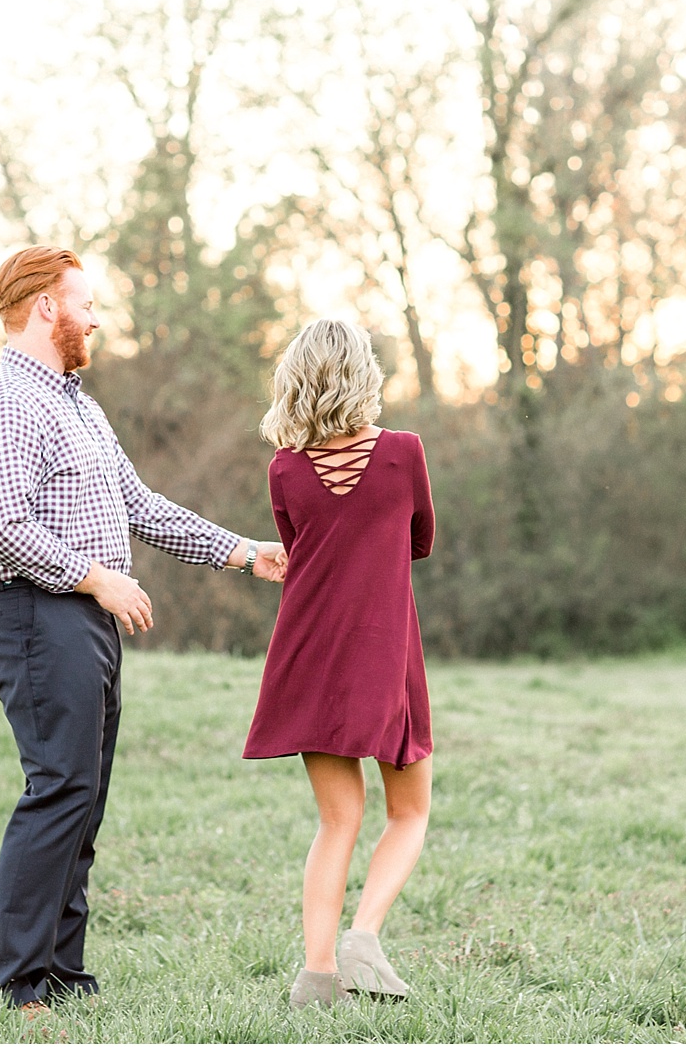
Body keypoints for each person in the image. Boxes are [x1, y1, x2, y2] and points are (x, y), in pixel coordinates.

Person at [0, 245, 288, 1011]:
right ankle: (14, 988)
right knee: (59, 788)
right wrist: (96, 577)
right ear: (46, 307)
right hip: (32, 610)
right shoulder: (6, 402)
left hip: (80, 616)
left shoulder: (79, 406)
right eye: (87, 303)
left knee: (84, 797)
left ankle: (62, 974)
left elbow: (140, 505)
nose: (96, 319)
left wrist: (244, 552)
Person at [242, 318, 437, 1009]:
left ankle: (317, 977)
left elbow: (298, 547)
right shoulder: (403, 453)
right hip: (383, 651)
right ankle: (363, 937)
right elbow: (420, 539)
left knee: (336, 820)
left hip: (309, 658)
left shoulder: (285, 468)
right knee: (409, 812)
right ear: (364, 375)